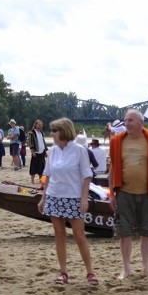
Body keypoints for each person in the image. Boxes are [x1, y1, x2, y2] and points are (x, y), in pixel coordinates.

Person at [39, 118, 99, 286]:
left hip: (73, 197)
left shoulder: (80, 150)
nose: (52, 134)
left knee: (80, 236)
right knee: (60, 235)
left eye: (55, 131)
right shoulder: (53, 151)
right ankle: (63, 272)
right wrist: (43, 197)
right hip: (54, 196)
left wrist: (84, 197)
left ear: (63, 132)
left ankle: (90, 272)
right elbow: (48, 176)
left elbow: (87, 175)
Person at [108, 108, 148, 279]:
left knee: (147, 232)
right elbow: (112, 169)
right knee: (124, 232)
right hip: (124, 193)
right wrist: (111, 194)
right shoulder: (117, 141)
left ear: (141, 123)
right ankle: (126, 269)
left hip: (147, 194)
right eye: (125, 120)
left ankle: (146, 268)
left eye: (130, 120)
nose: (126, 123)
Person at [28, 119, 48, 185]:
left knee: (43, 167)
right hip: (36, 152)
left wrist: (45, 151)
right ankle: (32, 180)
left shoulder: (41, 133)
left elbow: (43, 142)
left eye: (41, 125)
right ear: (35, 125)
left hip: (42, 152)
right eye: (39, 124)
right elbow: (30, 142)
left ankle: (42, 180)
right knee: (34, 167)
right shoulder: (32, 133)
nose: (40, 126)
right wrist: (32, 150)